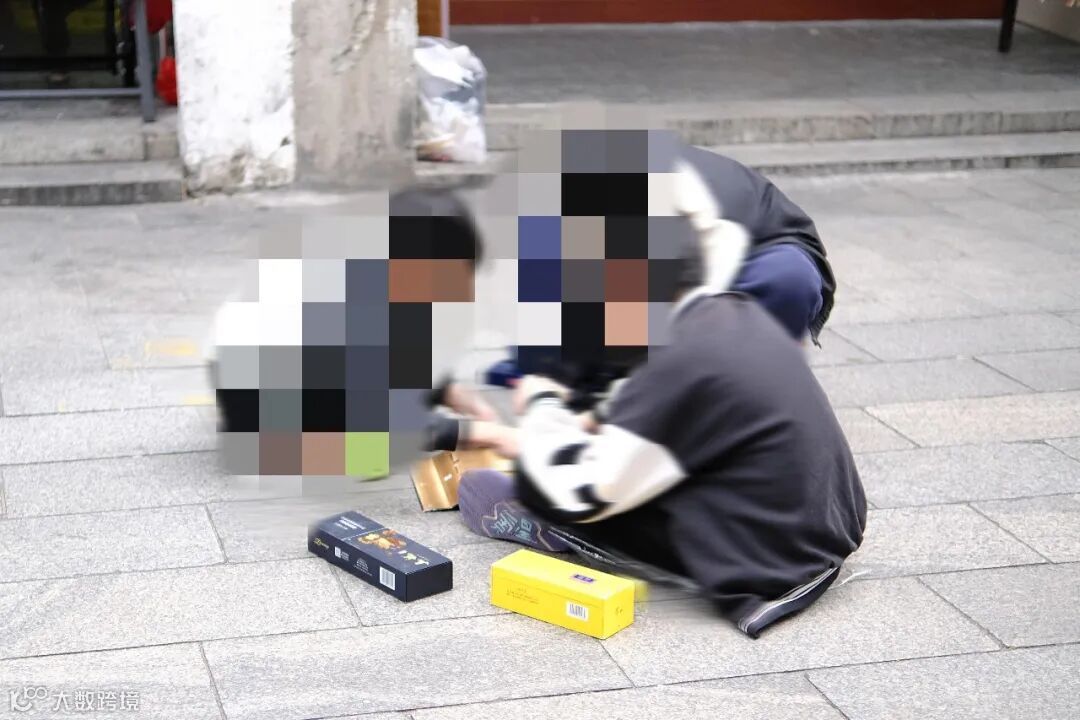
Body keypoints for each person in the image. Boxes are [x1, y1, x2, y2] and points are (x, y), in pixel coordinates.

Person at [458, 152, 866, 637]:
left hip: (771, 563)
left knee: (491, 490)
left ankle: (554, 532)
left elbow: (583, 488)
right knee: (635, 449)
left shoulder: (679, 361)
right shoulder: (731, 312)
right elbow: (671, 412)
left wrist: (538, 407)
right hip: (828, 528)